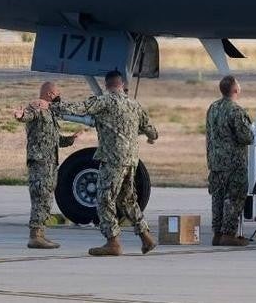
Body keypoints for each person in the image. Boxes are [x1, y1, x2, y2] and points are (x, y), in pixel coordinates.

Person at [40, 70, 159, 256]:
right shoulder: (134, 105)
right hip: (131, 161)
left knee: (104, 199)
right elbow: (151, 130)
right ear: (122, 85)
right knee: (127, 200)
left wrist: (50, 107)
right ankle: (146, 237)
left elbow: (78, 108)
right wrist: (152, 138)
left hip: (113, 160)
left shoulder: (104, 101)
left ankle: (113, 242)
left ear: (106, 85)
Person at [13, 81, 77, 249]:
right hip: (40, 162)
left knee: (46, 200)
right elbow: (27, 115)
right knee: (40, 197)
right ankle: (35, 236)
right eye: (57, 92)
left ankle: (40, 234)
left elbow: (54, 140)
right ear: (50, 94)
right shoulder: (38, 107)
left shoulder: (50, 112)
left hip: (49, 164)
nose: (59, 96)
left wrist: (69, 139)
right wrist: (20, 116)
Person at [205, 75, 255, 247]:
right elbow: (246, 137)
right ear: (235, 90)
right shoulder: (236, 111)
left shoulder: (213, 108)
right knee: (234, 198)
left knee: (218, 199)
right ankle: (228, 234)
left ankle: (217, 234)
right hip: (234, 164)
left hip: (216, 162)